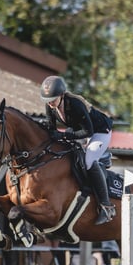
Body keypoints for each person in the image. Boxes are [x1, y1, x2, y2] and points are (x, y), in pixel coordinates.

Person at [40, 75, 115, 225]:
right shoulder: (50, 105)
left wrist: (65, 134)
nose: (51, 103)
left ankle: (106, 207)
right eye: (48, 100)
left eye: (54, 99)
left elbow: (88, 132)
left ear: (62, 95)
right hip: (77, 130)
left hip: (99, 131)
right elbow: (51, 127)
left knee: (89, 160)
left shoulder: (75, 104)